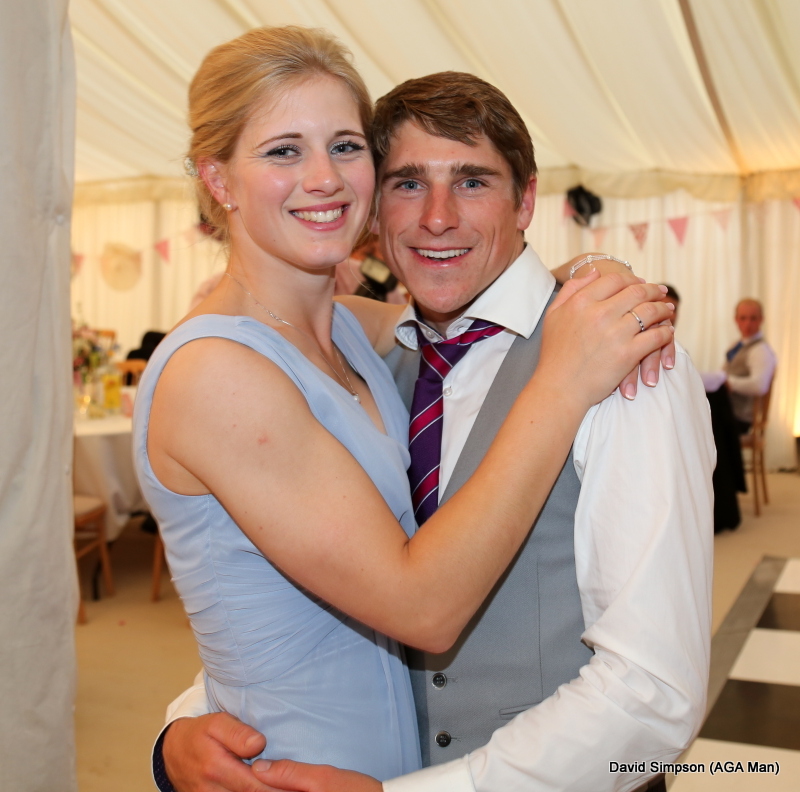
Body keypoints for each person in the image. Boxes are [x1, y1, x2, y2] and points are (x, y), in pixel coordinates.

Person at [134, 29, 675, 790]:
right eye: (284, 150)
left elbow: (500, 296)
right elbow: (415, 607)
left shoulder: (357, 332)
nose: (324, 178)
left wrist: (596, 273)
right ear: (218, 179)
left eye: (345, 146)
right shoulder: (218, 371)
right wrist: (561, 380)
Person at [723, 298, 777, 434]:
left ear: (761, 320)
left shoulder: (760, 350)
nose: (748, 323)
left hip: (739, 417)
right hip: (729, 411)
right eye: (743, 318)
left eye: (753, 318)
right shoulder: (737, 345)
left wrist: (729, 383)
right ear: (736, 320)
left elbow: (759, 385)